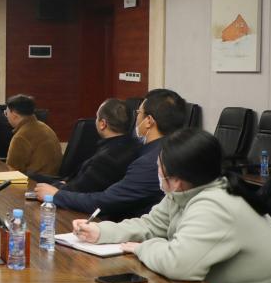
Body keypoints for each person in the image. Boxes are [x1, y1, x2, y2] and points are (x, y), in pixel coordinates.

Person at [72, 128, 271, 283]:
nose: (157, 171)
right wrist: (102, 231)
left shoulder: (215, 205)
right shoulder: (186, 191)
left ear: (176, 179)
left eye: (159, 167)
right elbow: (150, 225)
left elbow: (178, 265)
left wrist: (143, 247)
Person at [35, 89, 186, 221]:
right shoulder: (173, 148)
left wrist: (56, 195)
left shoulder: (151, 161)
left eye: (139, 113)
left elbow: (106, 201)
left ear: (148, 121)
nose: (136, 118)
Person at [30, 98, 139, 193]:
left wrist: (58, 186)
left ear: (102, 124)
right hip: (70, 186)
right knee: (32, 176)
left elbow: (77, 191)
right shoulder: (129, 145)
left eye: (97, 117)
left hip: (71, 201)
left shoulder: (107, 158)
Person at [4, 94, 62, 176]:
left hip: (35, 181)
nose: (6, 117)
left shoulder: (20, 137)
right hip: (53, 178)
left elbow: (12, 172)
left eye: (6, 113)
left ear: (14, 115)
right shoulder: (44, 127)